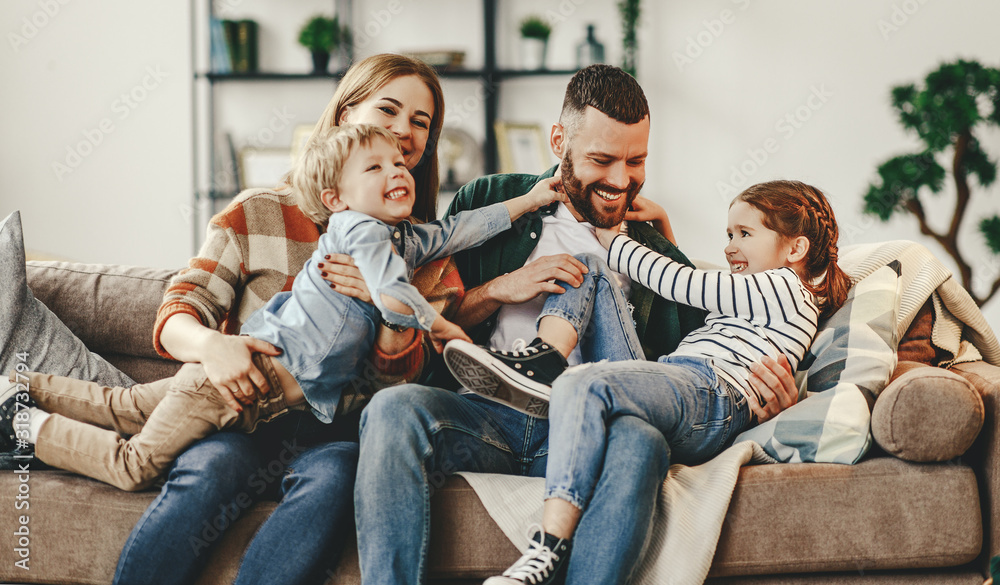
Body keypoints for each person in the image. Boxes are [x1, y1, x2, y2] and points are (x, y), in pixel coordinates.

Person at [1, 54, 453, 585]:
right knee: (208, 469)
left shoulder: (424, 251)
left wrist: (389, 310)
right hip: (240, 410)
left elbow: (405, 382)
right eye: (389, 110)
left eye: (420, 123)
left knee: (333, 480)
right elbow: (180, 309)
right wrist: (213, 347)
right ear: (347, 114)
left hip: (335, 430)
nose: (403, 131)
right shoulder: (260, 209)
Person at [352, 64, 802, 585]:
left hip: (593, 427)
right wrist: (499, 289)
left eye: (636, 162)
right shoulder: (490, 199)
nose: (620, 180)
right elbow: (427, 321)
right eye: (601, 159)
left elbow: (694, 366)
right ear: (559, 140)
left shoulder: (649, 243)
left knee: (642, 439)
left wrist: (764, 397)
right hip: (487, 415)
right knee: (393, 408)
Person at [4, 123, 564, 492]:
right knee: (134, 465)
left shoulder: (403, 238)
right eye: (376, 168)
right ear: (335, 200)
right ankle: (21, 423)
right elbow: (393, 292)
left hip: (253, 396)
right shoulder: (359, 230)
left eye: (401, 163)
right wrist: (445, 329)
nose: (398, 172)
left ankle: (14, 385)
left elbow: (460, 229)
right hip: (237, 381)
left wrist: (529, 201)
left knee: (122, 404)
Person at [444, 179, 851, 584]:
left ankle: (548, 546)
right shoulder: (758, 298)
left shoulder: (784, 287)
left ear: (796, 249)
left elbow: (685, 285)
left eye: (745, 233)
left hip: (712, 391)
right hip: (680, 382)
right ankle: (544, 361)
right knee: (588, 268)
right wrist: (663, 226)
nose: (729, 246)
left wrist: (616, 239)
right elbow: (695, 297)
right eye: (729, 234)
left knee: (582, 383)